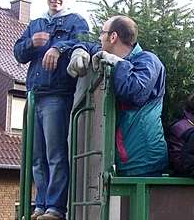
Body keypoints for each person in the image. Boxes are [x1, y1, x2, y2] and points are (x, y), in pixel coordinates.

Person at [14, 0, 89, 220]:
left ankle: (56, 208)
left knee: (56, 154)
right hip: (34, 94)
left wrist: (59, 48)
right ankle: (42, 204)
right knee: (37, 156)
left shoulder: (75, 21)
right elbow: (18, 53)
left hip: (57, 95)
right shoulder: (36, 24)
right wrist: (30, 43)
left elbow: (85, 43)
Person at [67, 15, 167, 176]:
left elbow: (133, 93)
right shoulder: (118, 58)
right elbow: (92, 47)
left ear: (113, 37)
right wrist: (80, 50)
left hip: (143, 162)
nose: (99, 38)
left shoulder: (148, 61)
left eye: (102, 33)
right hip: (124, 161)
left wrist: (118, 63)